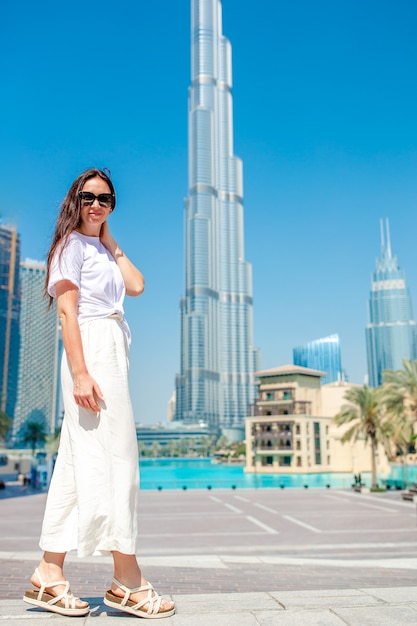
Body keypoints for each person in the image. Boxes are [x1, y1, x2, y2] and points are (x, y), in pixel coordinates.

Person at [23, 168, 175, 619]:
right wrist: (81, 373)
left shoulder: (100, 249)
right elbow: (68, 315)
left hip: (111, 350)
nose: (96, 205)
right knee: (118, 462)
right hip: (92, 352)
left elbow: (137, 285)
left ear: (112, 205)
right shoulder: (69, 246)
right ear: (75, 200)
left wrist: (111, 243)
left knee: (75, 465)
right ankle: (127, 581)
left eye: (105, 198)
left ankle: (48, 574)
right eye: (88, 197)